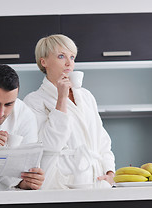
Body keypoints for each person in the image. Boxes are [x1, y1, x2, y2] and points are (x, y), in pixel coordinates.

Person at [23, 34, 115, 189]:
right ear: (43, 62)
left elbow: (102, 139)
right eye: (61, 56)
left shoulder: (86, 96)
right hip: (59, 183)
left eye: (72, 57)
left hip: (96, 180)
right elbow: (49, 145)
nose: (68, 63)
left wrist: (110, 172)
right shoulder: (34, 101)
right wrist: (61, 99)